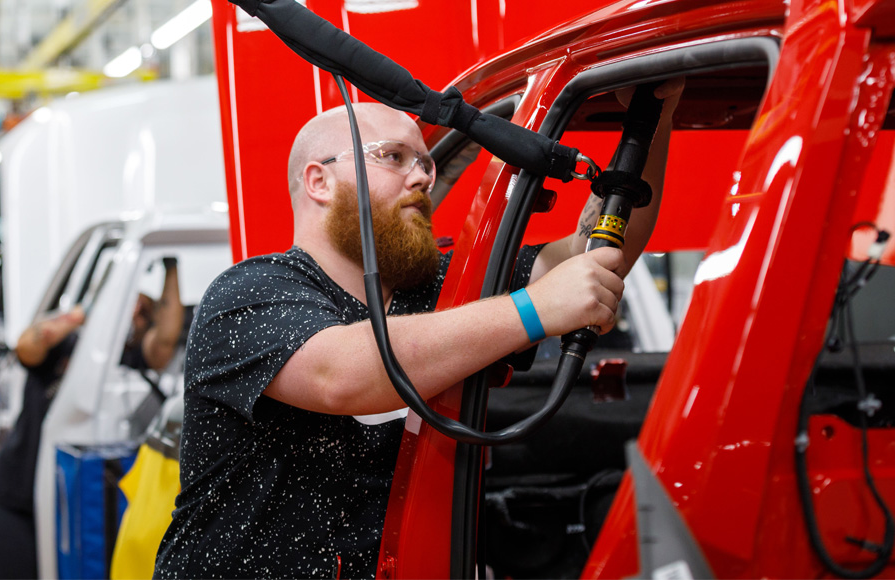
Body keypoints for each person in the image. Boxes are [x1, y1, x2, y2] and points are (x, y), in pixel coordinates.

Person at [154, 81, 682, 578]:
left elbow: (594, 256)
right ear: (319, 180)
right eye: (393, 157)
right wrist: (533, 309)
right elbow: (342, 373)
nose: (423, 177)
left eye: (426, 164)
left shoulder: (436, 291)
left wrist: (655, 115)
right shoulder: (249, 294)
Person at [0, 261, 187, 579]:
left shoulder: (133, 357)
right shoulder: (65, 347)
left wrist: (170, 267)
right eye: (129, 306)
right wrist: (92, 311)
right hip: (15, 498)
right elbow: (26, 345)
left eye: (141, 312)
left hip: (73, 507)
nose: (132, 315)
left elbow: (166, 337)